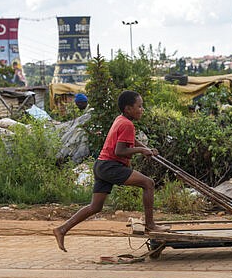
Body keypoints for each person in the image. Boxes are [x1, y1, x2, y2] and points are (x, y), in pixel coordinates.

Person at [53, 90, 169, 252]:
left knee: (95, 207)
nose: (142, 109)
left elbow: (131, 140)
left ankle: (62, 229)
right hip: (111, 166)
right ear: (128, 109)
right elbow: (119, 151)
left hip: (101, 165)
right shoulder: (127, 124)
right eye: (139, 106)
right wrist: (141, 151)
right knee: (148, 184)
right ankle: (150, 225)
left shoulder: (121, 120)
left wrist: (146, 149)